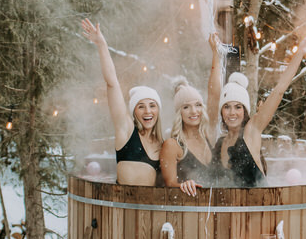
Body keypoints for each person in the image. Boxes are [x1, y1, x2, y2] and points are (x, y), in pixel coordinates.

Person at [212, 33, 306, 187]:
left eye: (238, 107)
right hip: (232, 209)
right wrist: (215, 54)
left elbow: (279, 90)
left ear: (245, 111)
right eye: (227, 107)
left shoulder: (251, 130)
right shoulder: (220, 143)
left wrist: (300, 53)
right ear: (221, 111)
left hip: (259, 207)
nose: (232, 112)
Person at [81, 18, 163, 185]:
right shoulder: (126, 131)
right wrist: (102, 46)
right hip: (124, 207)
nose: (148, 111)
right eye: (141, 106)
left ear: (158, 110)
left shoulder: (162, 143)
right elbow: (112, 84)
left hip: (152, 209)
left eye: (152, 105)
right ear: (134, 112)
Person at [160, 34, 221, 196]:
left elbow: (214, 95)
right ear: (179, 113)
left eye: (198, 105)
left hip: (215, 208)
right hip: (188, 212)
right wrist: (182, 184)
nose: (194, 111)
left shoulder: (208, 135)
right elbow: (169, 184)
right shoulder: (172, 145)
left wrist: (216, 55)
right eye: (186, 107)